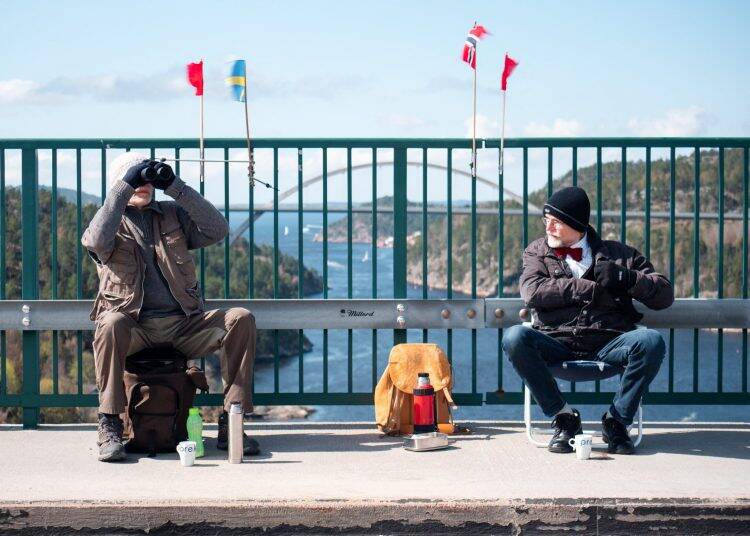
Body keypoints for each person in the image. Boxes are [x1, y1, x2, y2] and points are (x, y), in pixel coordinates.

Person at [82, 152, 258, 462]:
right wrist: (125, 186)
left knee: (240, 319)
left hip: (182, 325)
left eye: (148, 180)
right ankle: (109, 424)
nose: (144, 185)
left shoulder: (171, 214)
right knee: (109, 323)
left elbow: (217, 229)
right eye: (136, 179)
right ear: (119, 183)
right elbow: (95, 242)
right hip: (134, 327)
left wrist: (174, 185)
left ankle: (232, 422)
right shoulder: (110, 221)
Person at [502, 186, 674, 454]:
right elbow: (531, 291)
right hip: (555, 342)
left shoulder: (620, 255)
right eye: (546, 221)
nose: (549, 228)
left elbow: (664, 296)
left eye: (556, 222)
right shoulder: (537, 252)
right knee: (514, 337)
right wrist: (583, 287)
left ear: (577, 224)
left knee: (651, 340)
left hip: (609, 343)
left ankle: (616, 422)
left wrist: (626, 278)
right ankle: (564, 417)